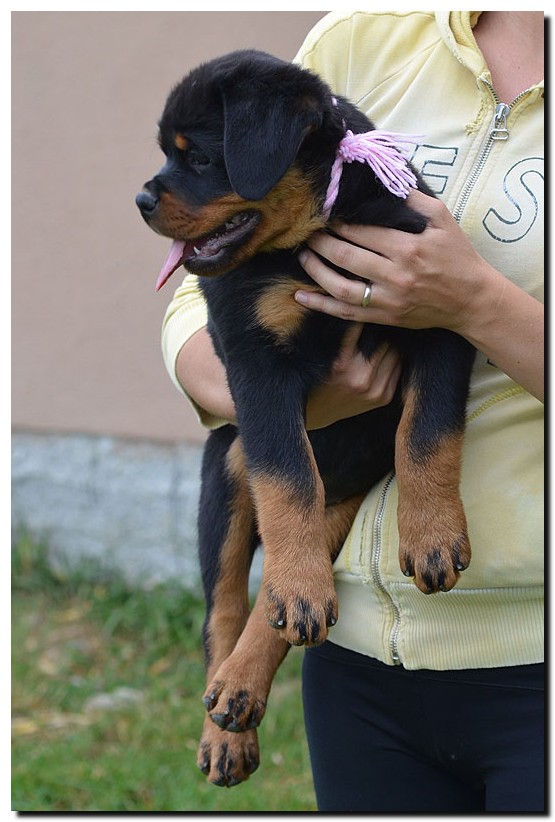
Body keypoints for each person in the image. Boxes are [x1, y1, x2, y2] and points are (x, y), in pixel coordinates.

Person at [160, 11, 544, 812]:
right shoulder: (363, 34)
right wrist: (248, 387)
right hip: (352, 655)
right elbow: (195, 308)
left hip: (530, 659)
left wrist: (470, 302)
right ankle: (225, 666)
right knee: (239, 460)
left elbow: (443, 342)